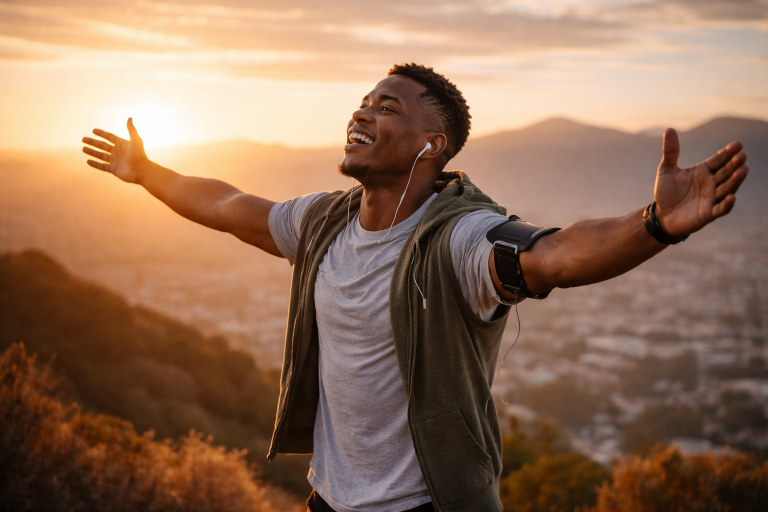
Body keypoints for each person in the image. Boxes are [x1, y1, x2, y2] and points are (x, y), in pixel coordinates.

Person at [82, 63, 748, 512]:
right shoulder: (324, 222)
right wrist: (149, 173)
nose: (363, 113)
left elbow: (557, 255)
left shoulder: (456, 241)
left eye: (386, 107)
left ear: (431, 146)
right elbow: (228, 205)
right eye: (364, 103)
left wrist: (656, 224)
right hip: (328, 500)